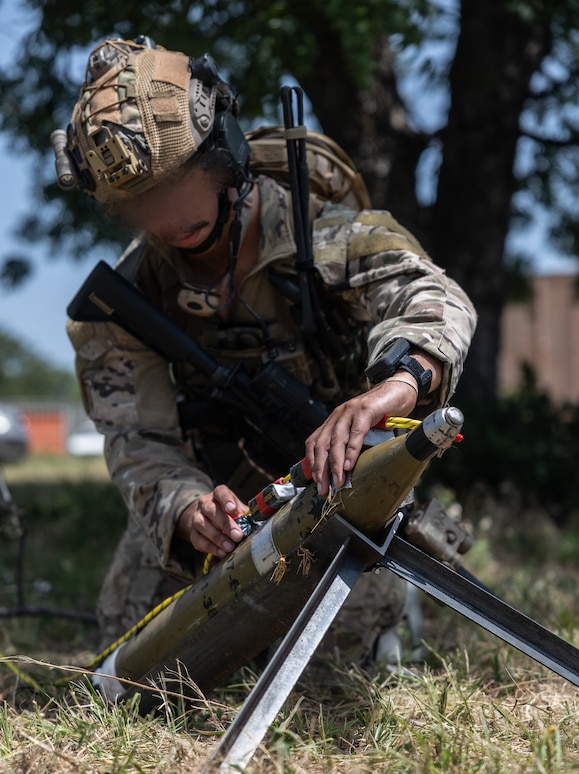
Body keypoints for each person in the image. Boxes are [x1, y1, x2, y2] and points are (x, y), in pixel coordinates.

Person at [55, 37, 477, 673]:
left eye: (177, 183)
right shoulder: (123, 301)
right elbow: (136, 441)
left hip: (336, 486)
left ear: (221, 150)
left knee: (332, 664)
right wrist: (185, 508)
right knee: (137, 648)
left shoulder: (321, 232)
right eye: (142, 204)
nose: (167, 216)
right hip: (220, 493)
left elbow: (433, 298)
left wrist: (390, 390)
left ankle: (394, 611)